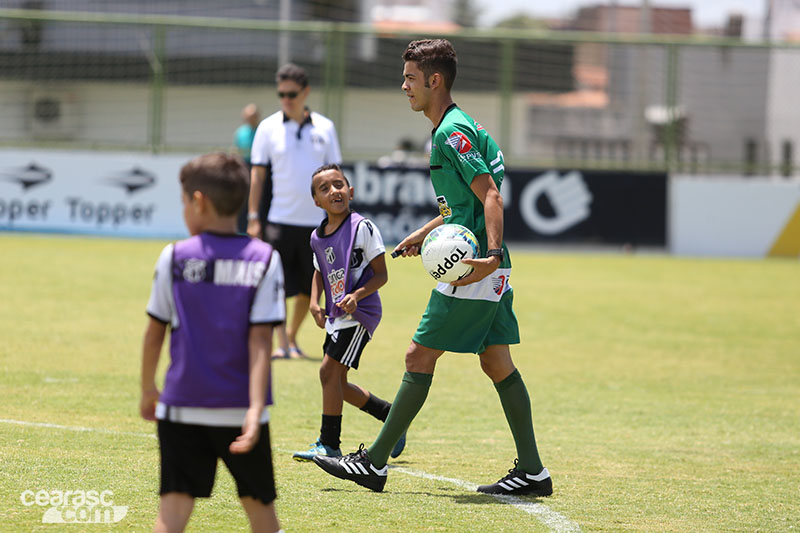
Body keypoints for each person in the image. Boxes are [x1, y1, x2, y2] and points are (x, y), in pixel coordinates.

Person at [313, 39, 552, 496]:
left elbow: (491, 196)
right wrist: (422, 235)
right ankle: (534, 472)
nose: (403, 85)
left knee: (418, 357)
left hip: (473, 268)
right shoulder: (458, 126)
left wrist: (491, 258)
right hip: (483, 264)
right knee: (497, 361)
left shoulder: (450, 133)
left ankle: (375, 462)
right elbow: (461, 205)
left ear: (433, 80)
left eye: (409, 77)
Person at [140, 152, 285, 532]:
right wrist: (255, 409)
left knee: (170, 516)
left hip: (181, 406)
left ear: (199, 201)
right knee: (262, 515)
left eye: (185, 200)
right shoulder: (264, 259)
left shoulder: (173, 257)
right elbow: (260, 342)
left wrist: (147, 389)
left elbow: (155, 331)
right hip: (241, 411)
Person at [292, 164, 406, 462]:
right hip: (336, 315)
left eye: (339, 185)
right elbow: (319, 271)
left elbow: (381, 275)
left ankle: (329, 443)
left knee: (328, 372)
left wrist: (357, 295)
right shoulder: (317, 236)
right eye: (325, 188)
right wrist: (314, 303)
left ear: (351, 191)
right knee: (336, 383)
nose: (334, 191)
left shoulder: (363, 228)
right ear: (316, 201)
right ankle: (389, 415)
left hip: (360, 312)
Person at [247, 63, 343, 359]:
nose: (286, 99)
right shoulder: (267, 128)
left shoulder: (325, 128)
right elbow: (258, 176)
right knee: (274, 286)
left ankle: (290, 338)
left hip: (316, 224)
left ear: (305, 92)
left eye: (291, 93)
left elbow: (336, 175)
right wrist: (253, 217)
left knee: (310, 288)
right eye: (281, 94)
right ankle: (281, 343)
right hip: (278, 220)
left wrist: (339, 217)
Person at [233, 103, 261, 233]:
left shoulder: (262, 131)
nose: (250, 119)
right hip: (244, 167)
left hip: (259, 168)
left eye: (253, 116)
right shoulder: (240, 132)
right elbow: (236, 150)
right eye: (248, 116)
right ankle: (241, 230)